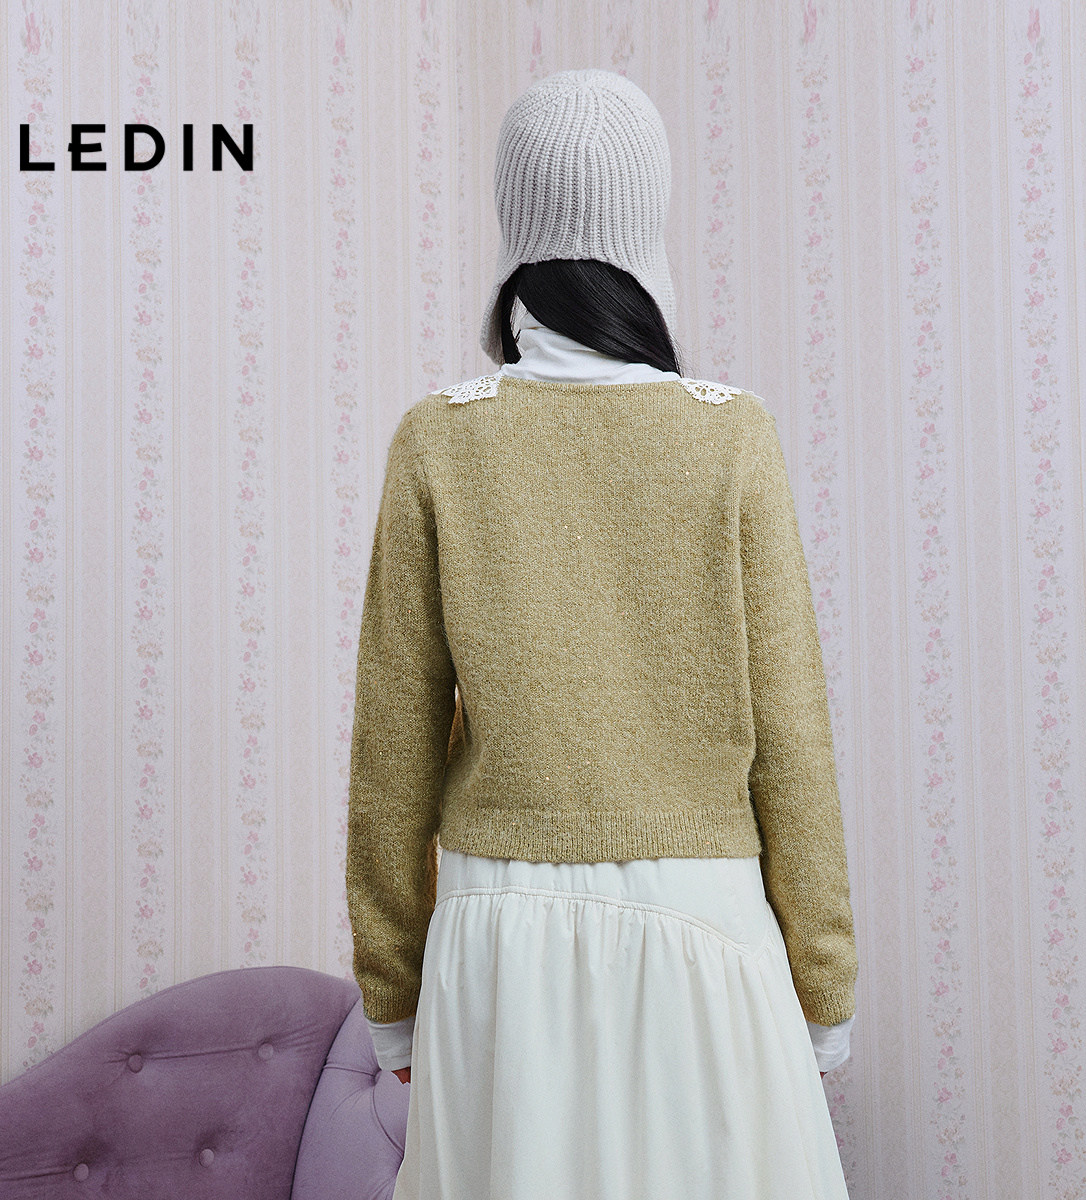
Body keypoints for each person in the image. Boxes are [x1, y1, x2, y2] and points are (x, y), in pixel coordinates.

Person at [346, 66, 858, 1199]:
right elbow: (794, 741)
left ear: (514, 232)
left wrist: (393, 998)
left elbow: (391, 753)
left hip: (496, 943)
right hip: (705, 933)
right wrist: (822, 991)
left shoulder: (438, 439)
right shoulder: (730, 435)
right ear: (647, 230)